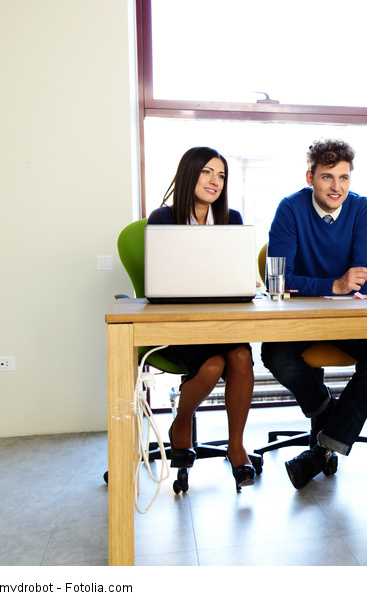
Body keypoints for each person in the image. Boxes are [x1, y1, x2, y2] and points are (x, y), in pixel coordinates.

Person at [261, 138, 367, 489]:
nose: (337, 187)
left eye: (344, 178)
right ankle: (327, 410)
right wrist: (334, 284)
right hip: (301, 318)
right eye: (327, 177)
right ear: (310, 177)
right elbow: (277, 282)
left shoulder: (362, 209)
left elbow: (364, 285)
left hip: (347, 320)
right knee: (273, 353)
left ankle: (323, 448)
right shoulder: (290, 209)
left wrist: (321, 284)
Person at [147, 146, 256, 491]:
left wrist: (245, 280)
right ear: (189, 173)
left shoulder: (231, 220)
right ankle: (182, 421)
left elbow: (237, 278)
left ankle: (235, 447)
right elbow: (157, 284)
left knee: (240, 355)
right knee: (210, 367)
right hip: (179, 326)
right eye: (208, 171)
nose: (215, 181)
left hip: (222, 323)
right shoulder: (162, 220)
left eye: (221, 175)